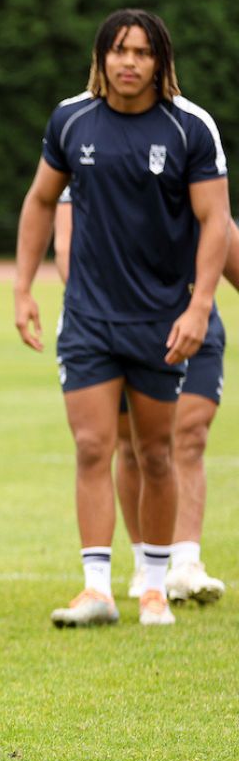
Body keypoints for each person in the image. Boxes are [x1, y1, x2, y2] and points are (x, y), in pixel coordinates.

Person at [14, 9, 230, 628]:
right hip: (87, 318)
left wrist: (198, 306)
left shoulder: (190, 128)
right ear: (101, 58)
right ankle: (96, 589)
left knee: (157, 452)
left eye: (141, 52)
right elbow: (39, 199)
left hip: (161, 321)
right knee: (91, 447)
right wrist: (22, 288)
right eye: (118, 50)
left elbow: (216, 222)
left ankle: (155, 586)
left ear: (160, 61)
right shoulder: (72, 118)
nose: (128, 62)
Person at [56, 193, 235, 607]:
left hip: (188, 315)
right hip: (111, 325)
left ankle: (186, 563)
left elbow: (219, 225)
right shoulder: (82, 137)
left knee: (187, 437)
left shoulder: (189, 139)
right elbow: (64, 243)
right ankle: (146, 561)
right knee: (132, 447)